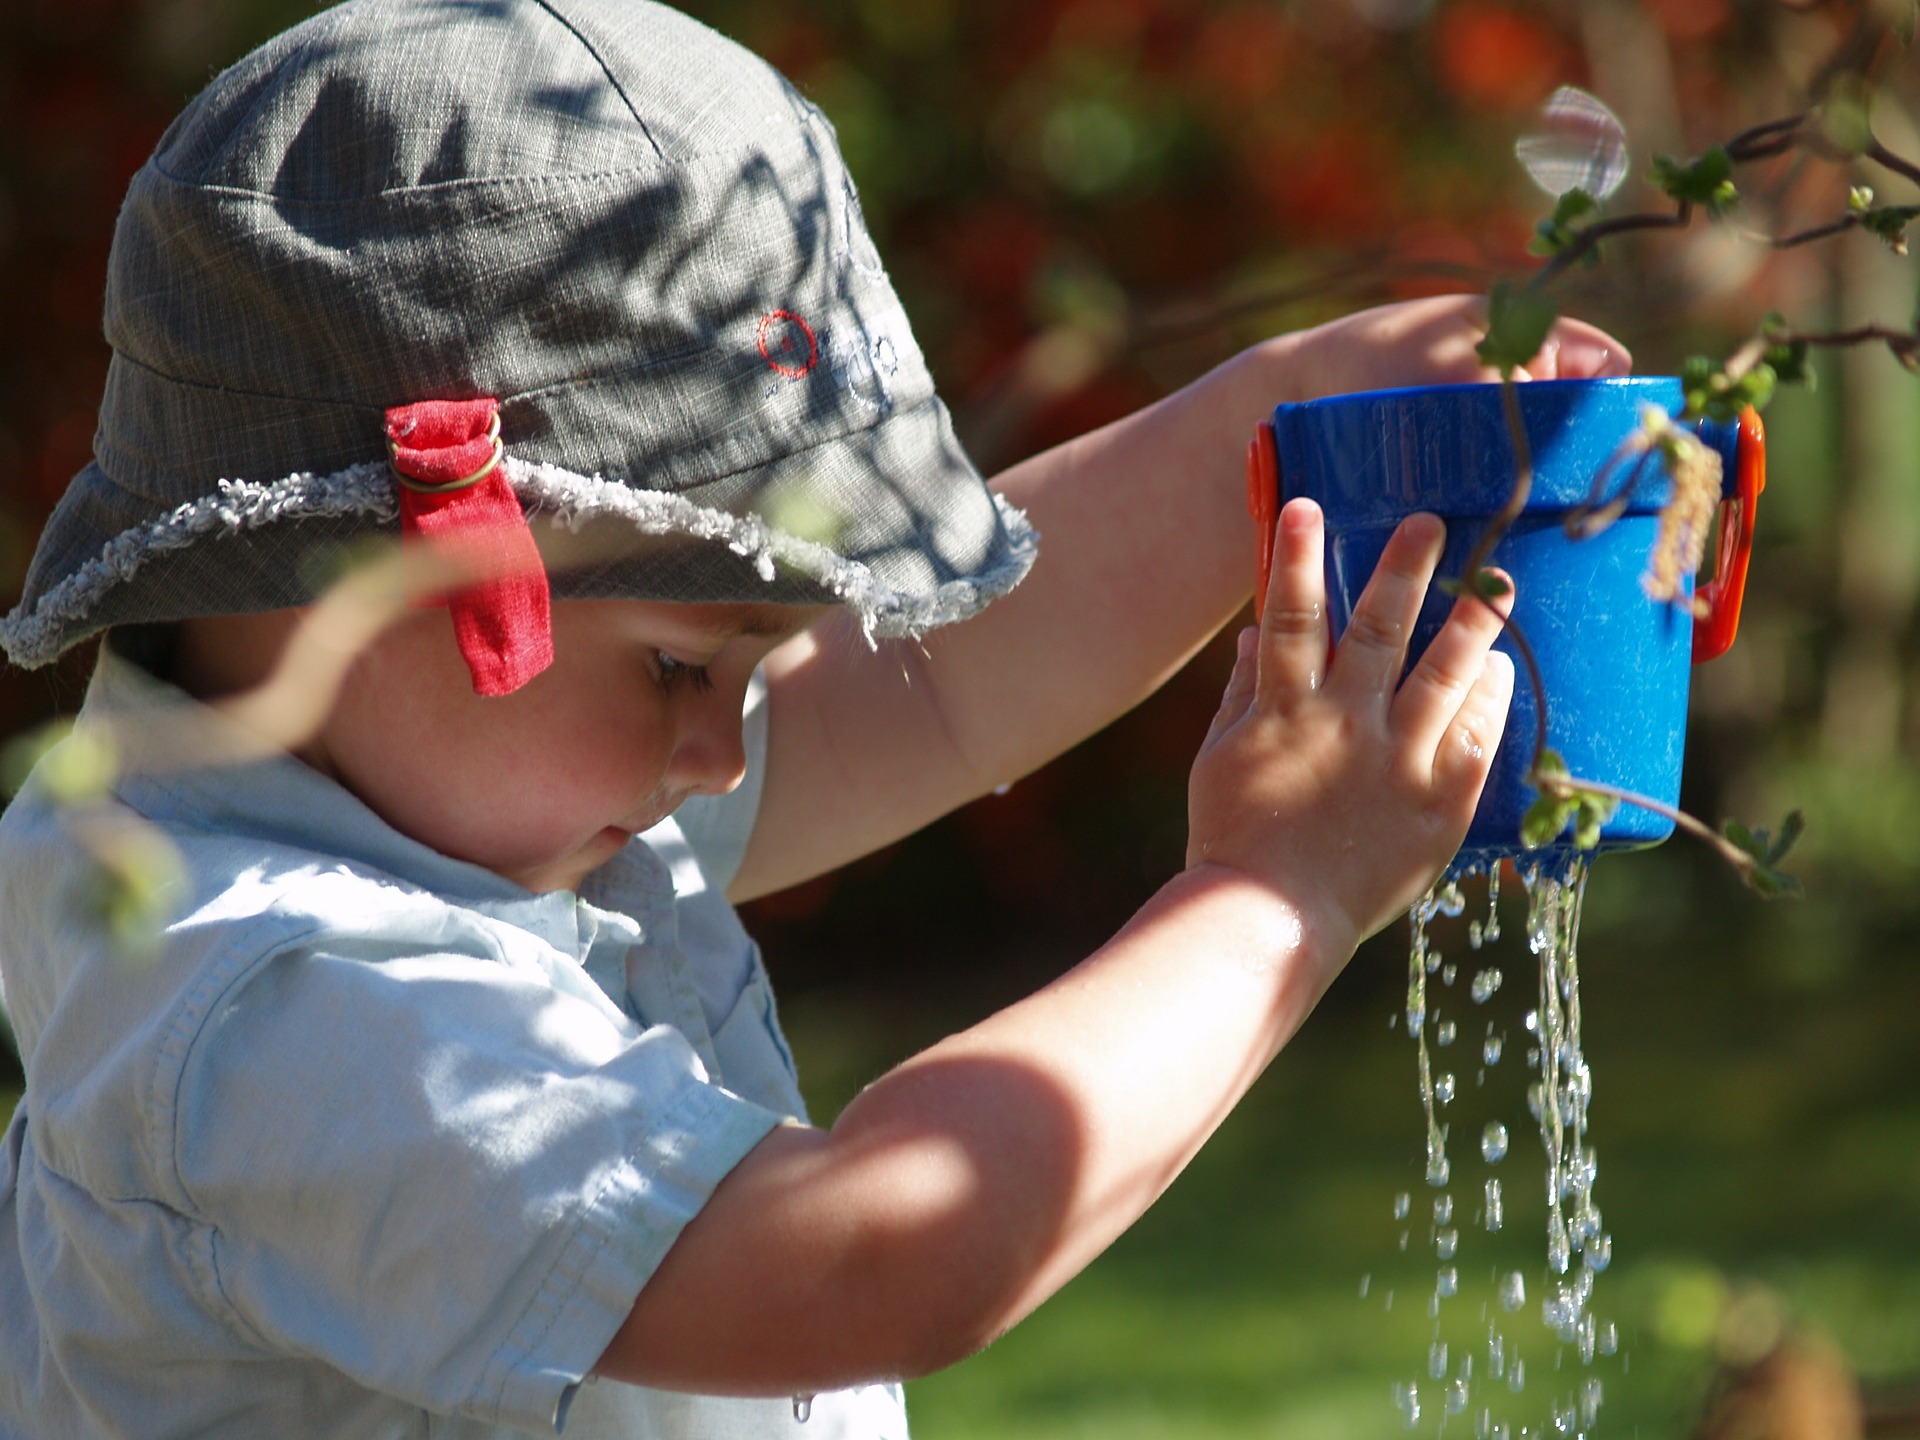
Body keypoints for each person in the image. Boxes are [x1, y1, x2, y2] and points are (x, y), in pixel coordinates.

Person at [0, 1, 1629, 1436]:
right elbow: (873, 1251)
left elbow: (945, 682)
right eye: (683, 667)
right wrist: (1277, 896)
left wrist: (1272, 429)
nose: (721, 748)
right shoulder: (276, 1006)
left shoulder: (457, 801)